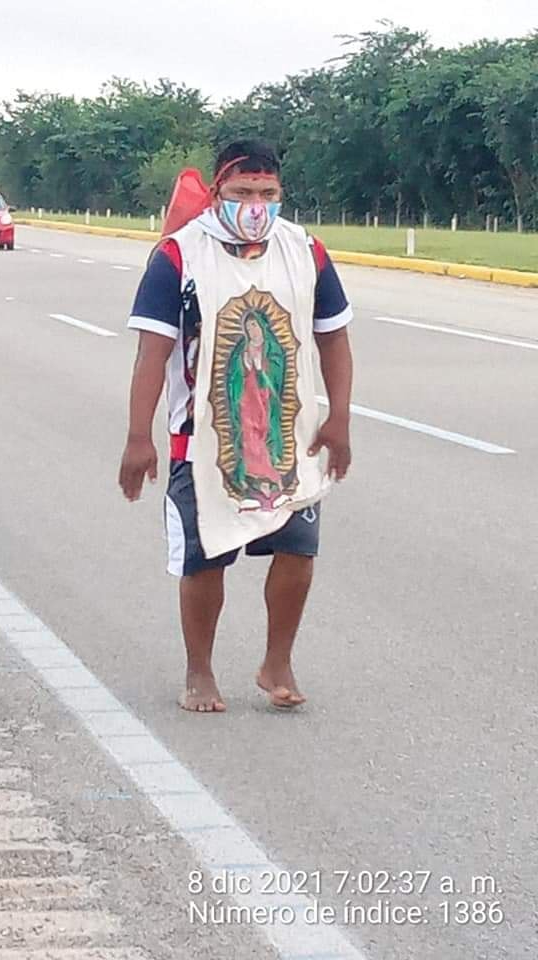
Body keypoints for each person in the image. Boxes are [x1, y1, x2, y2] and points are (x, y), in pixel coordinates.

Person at [119, 140, 353, 713]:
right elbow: (153, 353)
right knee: (205, 557)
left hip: (286, 435)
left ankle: (277, 659)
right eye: (243, 192)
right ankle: (199, 671)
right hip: (201, 437)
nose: (256, 204)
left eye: (267, 194)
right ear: (219, 191)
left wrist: (339, 417)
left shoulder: (305, 251)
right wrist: (137, 436)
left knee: (298, 549)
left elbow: (333, 337)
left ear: (282, 194)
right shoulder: (179, 256)